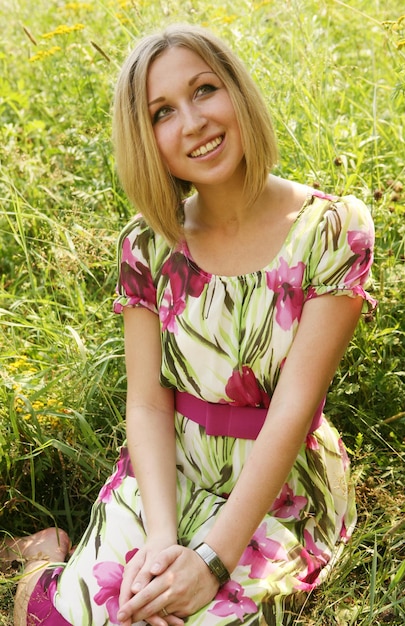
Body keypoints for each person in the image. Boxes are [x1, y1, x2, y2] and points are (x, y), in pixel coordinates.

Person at [3, 23, 376, 626]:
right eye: (162, 112)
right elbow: (149, 406)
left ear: (237, 90)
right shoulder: (147, 247)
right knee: (84, 613)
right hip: (171, 466)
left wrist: (210, 561)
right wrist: (160, 541)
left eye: (204, 90)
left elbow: (292, 410)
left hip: (278, 482)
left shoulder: (331, 230)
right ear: (146, 137)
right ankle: (40, 564)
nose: (193, 122)